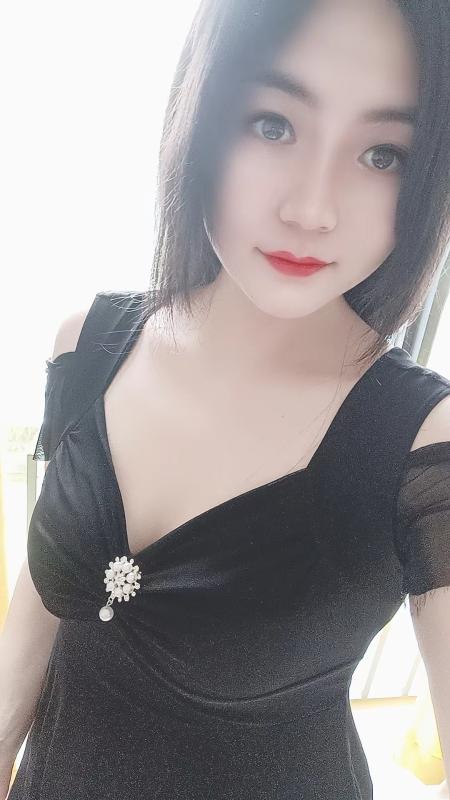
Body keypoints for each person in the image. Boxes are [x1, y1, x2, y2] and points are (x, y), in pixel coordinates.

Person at [2, 0, 450, 797]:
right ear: (203, 114)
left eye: (383, 154)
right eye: (273, 125)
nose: (310, 209)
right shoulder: (87, 342)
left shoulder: (422, 442)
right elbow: (40, 606)